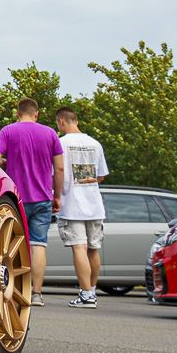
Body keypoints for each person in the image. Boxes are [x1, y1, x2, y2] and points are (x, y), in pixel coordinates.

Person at [0, 98, 66, 306]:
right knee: (38, 244)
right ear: (36, 114)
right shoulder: (50, 133)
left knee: (14, 244)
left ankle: (15, 291)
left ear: (17, 113)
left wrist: (5, 162)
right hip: (43, 198)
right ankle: (37, 294)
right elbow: (59, 168)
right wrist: (57, 196)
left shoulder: (8, 131)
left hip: (18, 199)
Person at [54, 108, 108, 308]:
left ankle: (86, 295)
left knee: (79, 247)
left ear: (61, 121)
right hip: (94, 203)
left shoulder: (60, 143)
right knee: (93, 249)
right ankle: (92, 291)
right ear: (76, 120)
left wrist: (56, 195)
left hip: (72, 203)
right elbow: (101, 176)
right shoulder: (95, 143)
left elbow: (57, 170)